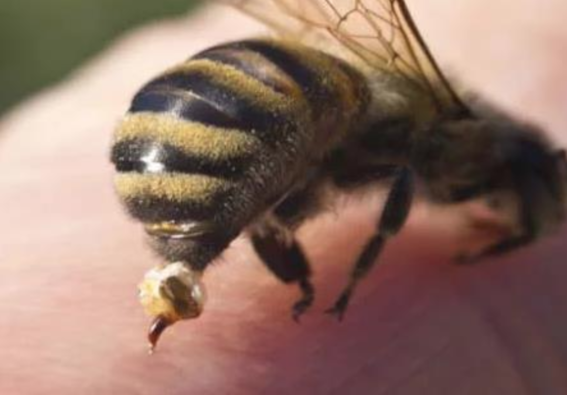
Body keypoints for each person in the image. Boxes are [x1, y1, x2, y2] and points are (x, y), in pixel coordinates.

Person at [1, 2, 566, 393]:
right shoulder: (445, 131)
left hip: (172, 129)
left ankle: (231, 264)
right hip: (231, 122)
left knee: (286, 171)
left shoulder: (369, 118)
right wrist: (354, 280)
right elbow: (392, 178)